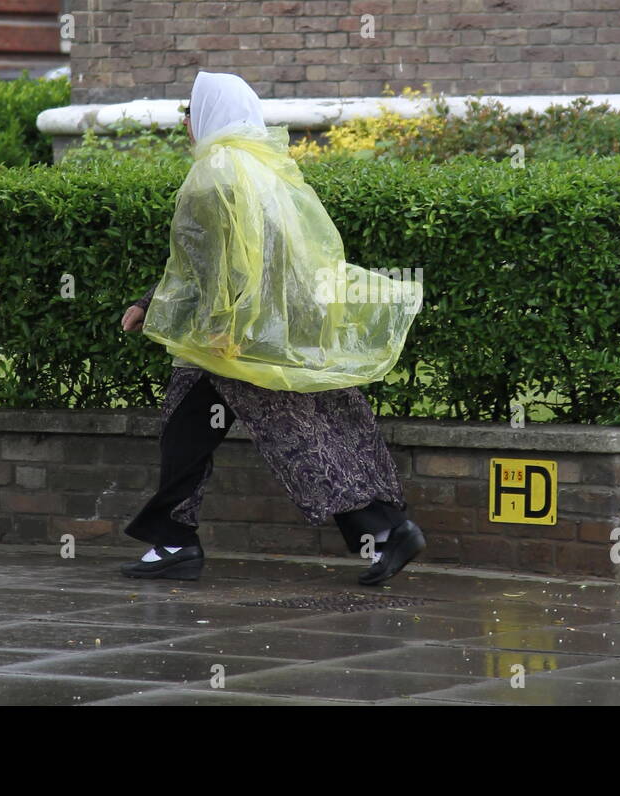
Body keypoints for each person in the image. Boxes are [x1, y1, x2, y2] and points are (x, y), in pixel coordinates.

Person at [118, 71, 426, 586]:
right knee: (195, 434)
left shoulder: (214, 175)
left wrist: (216, 326)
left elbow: (209, 263)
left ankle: (387, 530)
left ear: (209, 115)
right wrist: (152, 303)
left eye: (190, 113)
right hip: (266, 332)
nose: (187, 125)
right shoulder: (267, 169)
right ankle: (173, 541)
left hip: (231, 341)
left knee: (299, 439)